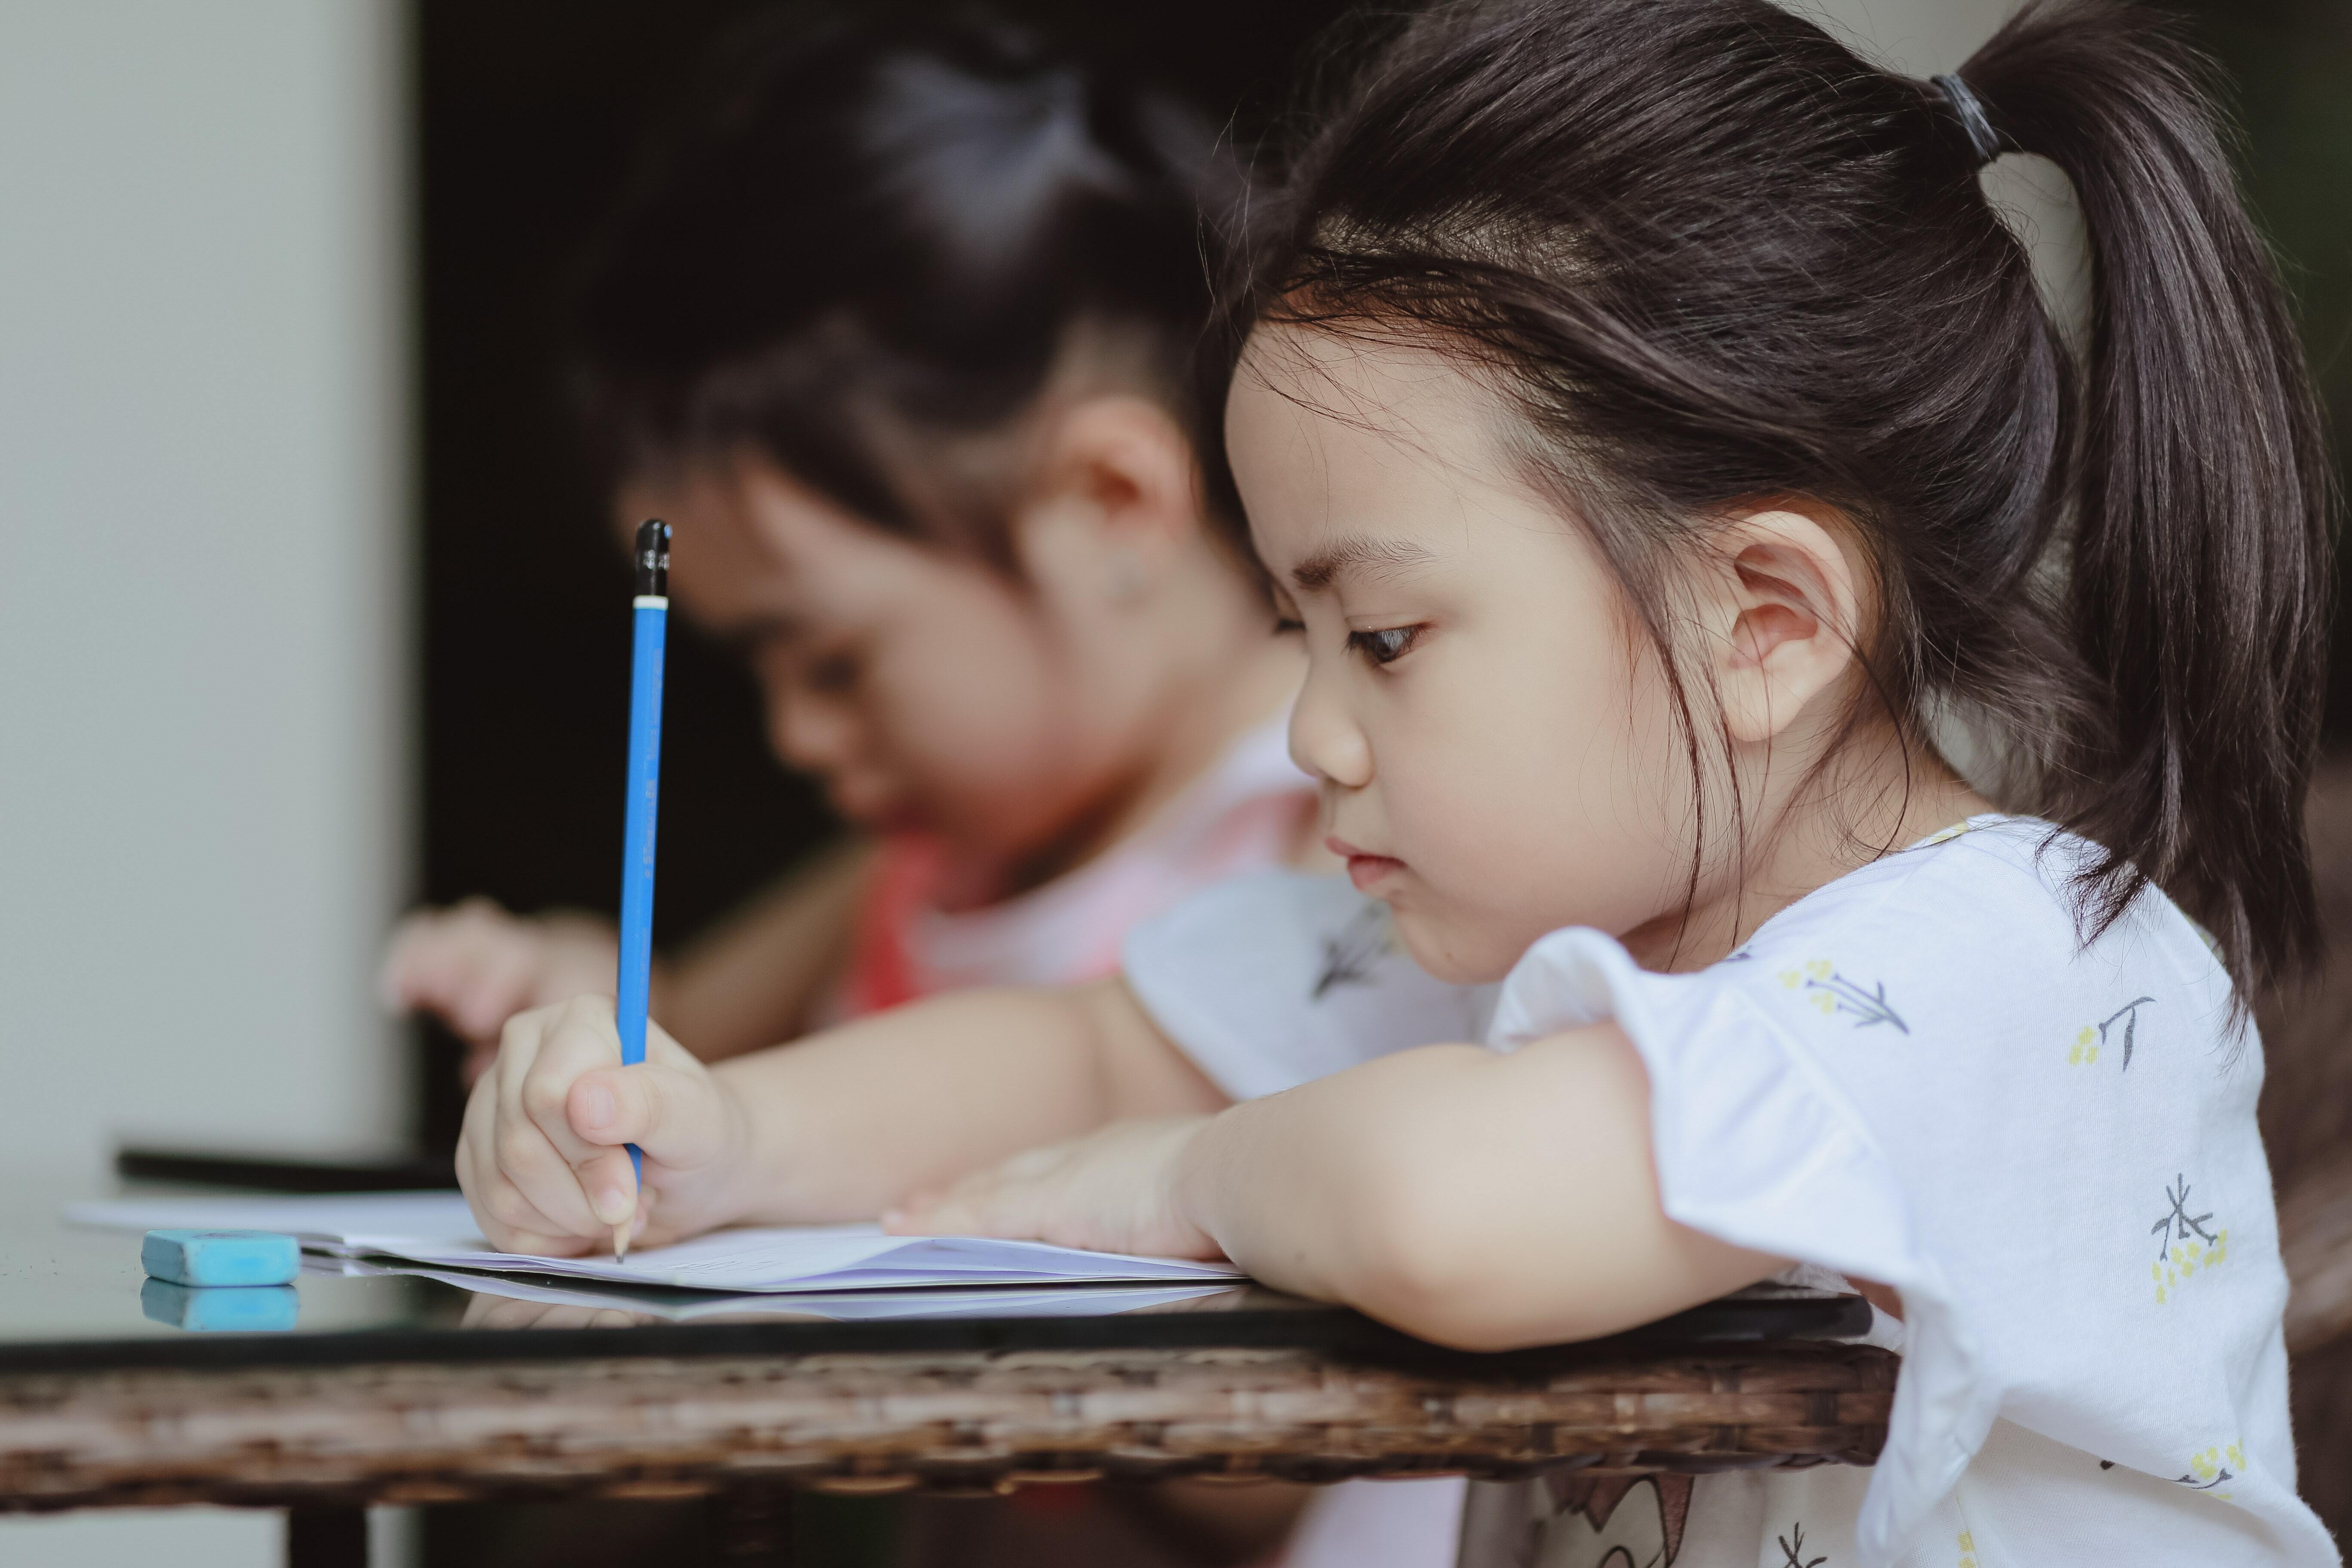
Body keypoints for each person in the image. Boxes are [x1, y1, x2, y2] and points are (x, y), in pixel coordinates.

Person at [452, 0, 2341, 1562]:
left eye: (1384, 639)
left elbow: (1445, 1213)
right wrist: (716, 1134)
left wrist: (1187, 1179)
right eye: (1290, 626)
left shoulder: (2018, 969)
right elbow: (1088, 1053)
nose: (1310, 736)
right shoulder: (1515, 941)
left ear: (1763, 620)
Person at [381, 17, 1317, 1075]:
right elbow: (681, 1062)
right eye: (766, 673)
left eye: (833, 662)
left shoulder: (1324, 818)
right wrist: (578, 1007)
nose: (799, 738)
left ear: (1108, 501)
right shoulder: (918, 869)